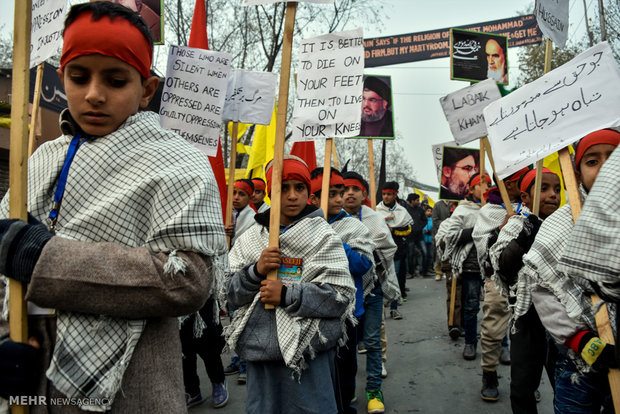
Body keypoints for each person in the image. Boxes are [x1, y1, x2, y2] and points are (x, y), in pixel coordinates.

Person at [0, 2, 227, 412]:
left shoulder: (176, 161)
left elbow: (188, 280)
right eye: (78, 76)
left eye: (116, 79)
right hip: (36, 382)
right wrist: (3, 339)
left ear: (146, 90)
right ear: (61, 76)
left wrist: (43, 259)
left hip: (133, 387)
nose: (94, 94)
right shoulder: (37, 161)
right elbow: (3, 260)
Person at [224, 155, 355, 413]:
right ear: (271, 192)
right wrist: (255, 272)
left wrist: (287, 294)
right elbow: (228, 294)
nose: (292, 195)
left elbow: (340, 297)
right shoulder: (250, 238)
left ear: (308, 192)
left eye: (299, 188)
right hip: (262, 356)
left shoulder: (324, 236)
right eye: (282, 188)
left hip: (310, 356)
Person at [513, 129, 620, 413]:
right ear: (578, 171)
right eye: (592, 161)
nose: (604, 168)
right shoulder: (559, 225)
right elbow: (544, 291)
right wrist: (582, 341)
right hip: (579, 363)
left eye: (613, 158)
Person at [489, 167, 561, 413]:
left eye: (557, 189)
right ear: (525, 198)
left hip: (563, 319)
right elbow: (503, 268)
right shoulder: (516, 224)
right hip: (528, 318)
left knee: (566, 383)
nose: (553, 195)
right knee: (522, 386)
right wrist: (524, 240)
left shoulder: (566, 224)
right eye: (544, 188)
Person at [308, 167, 376, 414]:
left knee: (345, 367)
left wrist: (334, 242)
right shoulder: (302, 226)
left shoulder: (352, 226)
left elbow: (363, 264)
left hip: (347, 312)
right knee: (318, 371)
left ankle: (345, 405)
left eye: (341, 192)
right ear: (313, 199)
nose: (339, 199)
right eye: (332, 193)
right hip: (311, 310)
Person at [343, 171, 401, 414]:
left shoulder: (374, 219)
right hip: (344, 292)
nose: (349, 193)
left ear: (364, 194)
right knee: (347, 345)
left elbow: (386, 245)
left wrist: (364, 252)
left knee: (373, 342)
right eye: (344, 189)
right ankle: (348, 389)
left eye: (355, 189)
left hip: (373, 288)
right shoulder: (331, 219)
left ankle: (374, 390)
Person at [472, 167, 527, 402]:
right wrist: (502, 230)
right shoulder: (489, 209)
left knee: (527, 331)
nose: (520, 184)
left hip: (528, 278)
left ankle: (526, 379)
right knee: (493, 329)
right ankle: (490, 374)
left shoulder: (531, 202)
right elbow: (481, 242)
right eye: (515, 180)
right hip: (497, 277)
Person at [436, 172, 487, 363]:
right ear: (472, 189)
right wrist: (477, 231)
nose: (487, 188)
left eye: (489, 184)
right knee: (471, 304)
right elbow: (449, 236)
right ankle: (470, 341)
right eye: (482, 184)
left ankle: (501, 345)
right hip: (470, 266)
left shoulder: (495, 208)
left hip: (490, 267)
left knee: (496, 308)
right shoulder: (462, 211)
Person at [180, 296, 229, 408]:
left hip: (202, 297)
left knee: (208, 343)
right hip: (178, 301)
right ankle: (192, 391)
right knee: (184, 350)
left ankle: (218, 381)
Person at [376, 181, 412, 315]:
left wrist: (393, 230)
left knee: (394, 276)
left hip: (397, 249)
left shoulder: (402, 211)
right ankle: (385, 302)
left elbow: (408, 228)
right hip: (380, 249)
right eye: (384, 194)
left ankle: (394, 307)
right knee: (381, 277)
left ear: (395, 195)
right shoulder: (376, 210)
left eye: (389, 194)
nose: (386, 197)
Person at [226, 179, 256, 246]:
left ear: (250, 198)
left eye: (242, 194)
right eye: (234, 193)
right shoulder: (224, 213)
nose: (236, 197)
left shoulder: (253, 220)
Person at [405, 193, 429, 277]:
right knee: (410, 255)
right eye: (417, 200)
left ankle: (424, 272)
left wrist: (419, 226)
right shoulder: (406, 210)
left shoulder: (420, 210)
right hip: (409, 236)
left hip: (419, 236)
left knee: (425, 252)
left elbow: (425, 220)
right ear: (412, 201)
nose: (419, 202)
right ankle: (411, 272)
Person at [422, 205, 434, 275]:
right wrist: (424, 231)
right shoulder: (422, 219)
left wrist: (429, 231)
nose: (429, 213)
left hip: (430, 240)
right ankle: (423, 269)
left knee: (430, 255)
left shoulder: (432, 220)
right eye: (428, 211)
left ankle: (429, 269)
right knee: (424, 255)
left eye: (431, 211)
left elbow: (434, 229)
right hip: (423, 240)